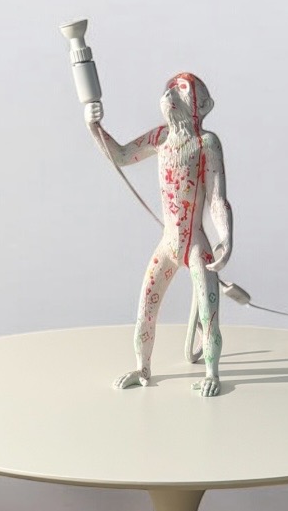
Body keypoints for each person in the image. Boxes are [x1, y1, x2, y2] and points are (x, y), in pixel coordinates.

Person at [85, 73, 233, 397]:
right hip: (169, 244)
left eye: (182, 90)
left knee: (208, 313)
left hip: (195, 245)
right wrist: (93, 126)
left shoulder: (206, 143)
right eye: (171, 88)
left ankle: (212, 372)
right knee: (146, 309)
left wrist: (225, 238)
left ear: (203, 106)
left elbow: (216, 199)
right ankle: (143, 367)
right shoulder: (160, 137)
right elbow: (121, 156)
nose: (170, 94)